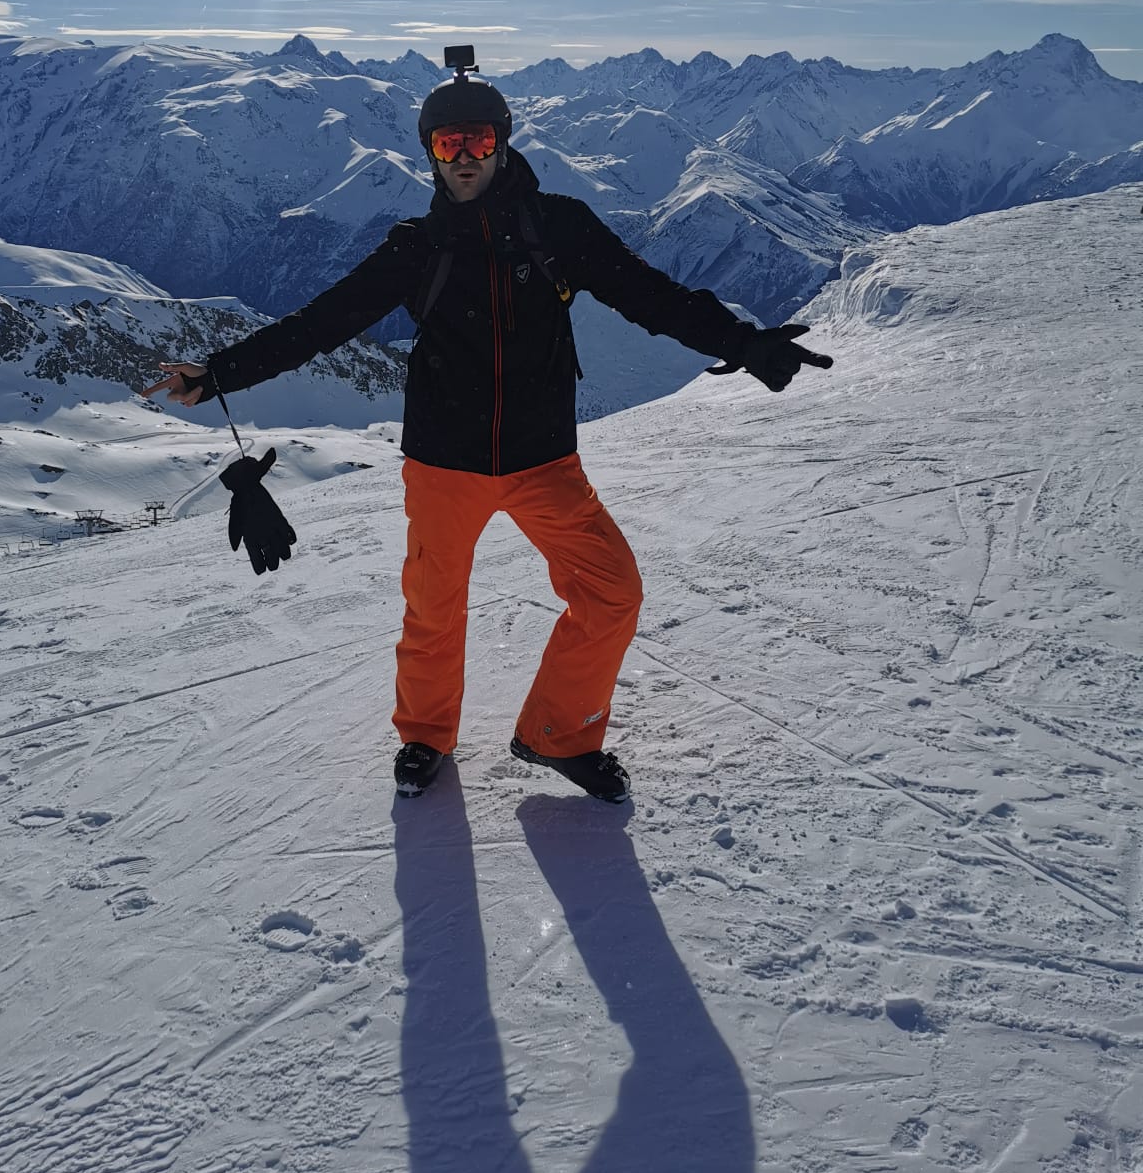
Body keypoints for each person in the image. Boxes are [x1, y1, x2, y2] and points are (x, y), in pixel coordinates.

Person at [144, 52, 831, 803]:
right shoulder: (416, 247)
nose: (465, 157)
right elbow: (320, 323)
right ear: (430, 154)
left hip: (544, 460)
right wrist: (219, 373)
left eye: (478, 141)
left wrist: (744, 343)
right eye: (449, 144)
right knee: (433, 611)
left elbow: (651, 296)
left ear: (502, 144)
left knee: (612, 591)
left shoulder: (559, 227)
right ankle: (424, 735)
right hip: (444, 462)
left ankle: (558, 735)